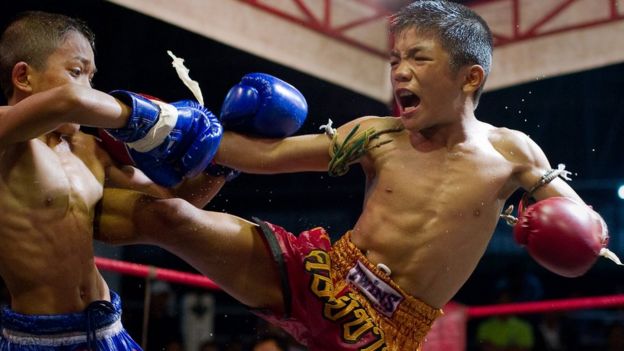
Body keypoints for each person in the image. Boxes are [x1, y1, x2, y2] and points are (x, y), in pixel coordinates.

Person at [95, 1, 612, 350]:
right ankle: (58, 217)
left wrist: (573, 230)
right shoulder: (376, 135)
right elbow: (263, 157)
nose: (399, 71)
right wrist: (149, 119)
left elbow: (592, 235)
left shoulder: (513, 150)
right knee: (171, 217)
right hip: (323, 277)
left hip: (388, 335)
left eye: (417, 57)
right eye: (395, 59)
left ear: (469, 76)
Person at [0, 11, 228, 350]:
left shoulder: (90, 150)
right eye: (76, 72)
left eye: (92, 77)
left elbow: (175, 201)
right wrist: (144, 116)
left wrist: (220, 164)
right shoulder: (5, 136)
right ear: (23, 76)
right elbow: (70, 101)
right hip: (40, 338)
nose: (89, 89)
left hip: (109, 328)